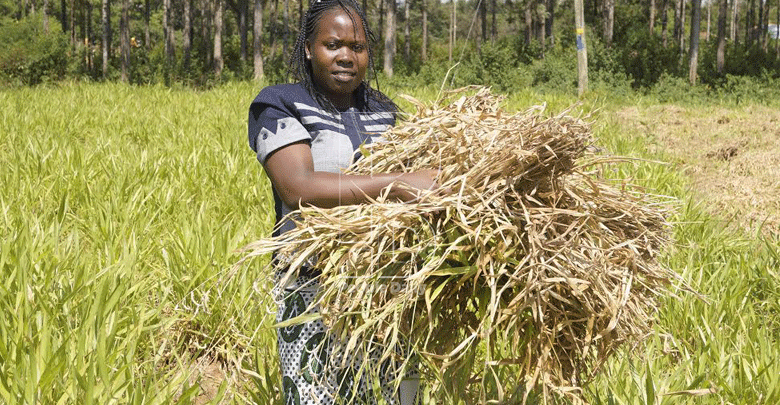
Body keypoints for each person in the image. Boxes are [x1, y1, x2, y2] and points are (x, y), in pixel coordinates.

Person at [247, 0, 437, 403]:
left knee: (394, 395)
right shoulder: (280, 103)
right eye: (333, 45)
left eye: (358, 47)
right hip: (312, 285)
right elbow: (298, 187)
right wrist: (398, 183)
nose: (346, 56)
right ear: (309, 49)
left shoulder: (384, 112)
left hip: (386, 284)